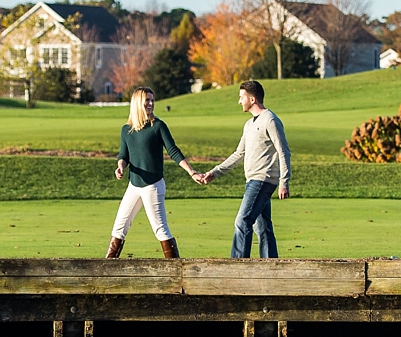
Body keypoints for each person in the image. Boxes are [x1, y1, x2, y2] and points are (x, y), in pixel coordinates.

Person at [193, 79, 290, 258]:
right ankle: (272, 268)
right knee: (263, 227)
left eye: (241, 97)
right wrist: (215, 172)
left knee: (243, 221)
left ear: (252, 99)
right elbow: (239, 154)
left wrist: (284, 181)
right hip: (252, 180)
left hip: (263, 180)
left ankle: (237, 266)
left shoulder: (271, 120)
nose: (239, 101)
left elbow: (284, 151)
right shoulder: (249, 125)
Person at [107, 87, 199, 259]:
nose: (150, 103)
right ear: (136, 103)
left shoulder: (158, 126)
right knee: (119, 227)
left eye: (152, 100)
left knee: (160, 229)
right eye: (146, 100)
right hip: (134, 185)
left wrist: (191, 172)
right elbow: (123, 155)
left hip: (153, 185)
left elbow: (173, 151)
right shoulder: (126, 130)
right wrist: (120, 167)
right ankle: (106, 270)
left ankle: (175, 270)